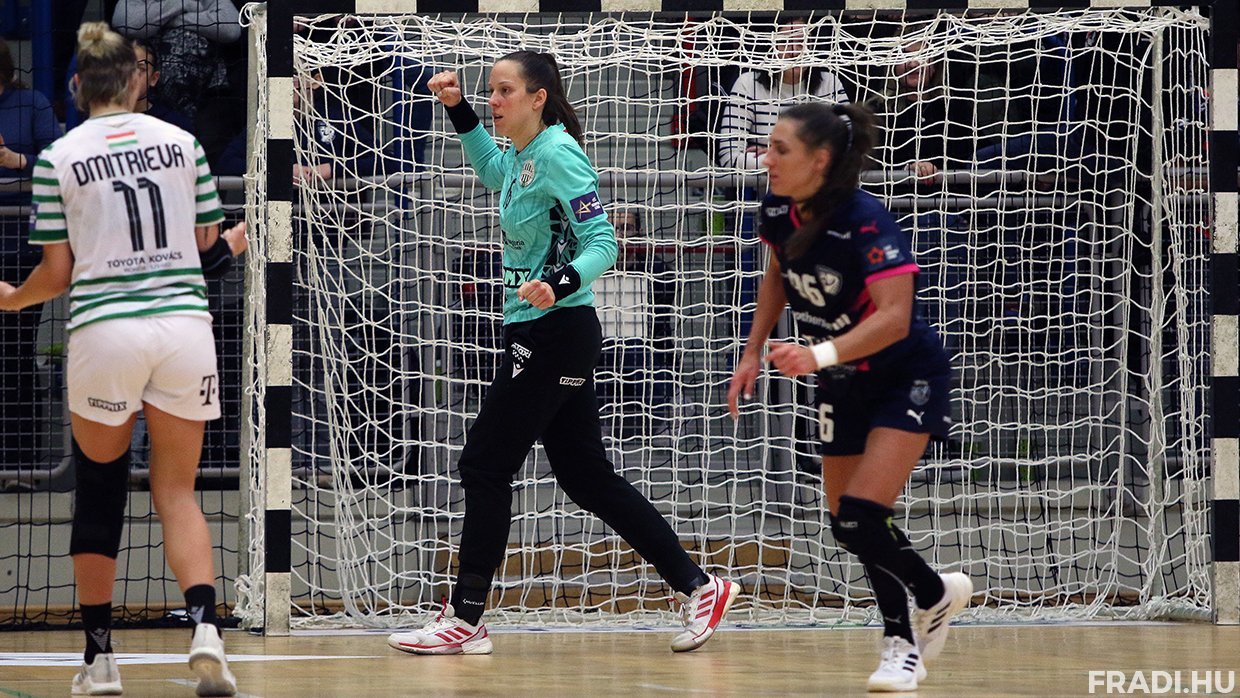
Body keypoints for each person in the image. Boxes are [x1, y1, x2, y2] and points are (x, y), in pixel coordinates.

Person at [387, 51, 737, 656]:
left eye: (503, 91)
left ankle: (465, 617)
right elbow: (494, 172)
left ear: (538, 97)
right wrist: (458, 109)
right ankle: (700, 586)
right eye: (490, 91)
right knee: (585, 476)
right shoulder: (524, 153)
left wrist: (560, 283)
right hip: (539, 330)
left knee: (484, 466)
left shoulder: (558, 153)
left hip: (555, 332)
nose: (494, 100)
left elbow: (603, 241)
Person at [0, 22, 246, 696]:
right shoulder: (183, 144)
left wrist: (13, 300)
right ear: (138, 79)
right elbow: (205, 244)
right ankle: (206, 629)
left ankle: (101, 659)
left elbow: (56, 275)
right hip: (183, 330)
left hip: (107, 333)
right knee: (178, 492)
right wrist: (227, 243)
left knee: (100, 491)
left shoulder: (58, 156)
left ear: (77, 84)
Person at [726, 102, 972, 692]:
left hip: (905, 374)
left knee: (863, 513)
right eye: (767, 146)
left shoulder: (866, 220)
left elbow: (894, 316)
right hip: (842, 380)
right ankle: (934, 594)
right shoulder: (777, 208)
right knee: (848, 525)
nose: (766, 158)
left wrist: (817, 354)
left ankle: (901, 645)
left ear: (820, 160)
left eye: (780, 149)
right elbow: (778, 274)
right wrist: (753, 349)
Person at [0, 37, 61, 473]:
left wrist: (15, 159)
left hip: (20, 247)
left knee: (16, 354)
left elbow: (58, 164)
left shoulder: (31, 103)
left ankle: (20, 464)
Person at [716, 18, 851, 171]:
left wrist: (776, 156)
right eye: (785, 43)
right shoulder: (748, 84)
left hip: (819, 186)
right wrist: (804, 158)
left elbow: (849, 149)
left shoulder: (829, 83)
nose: (794, 51)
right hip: (767, 186)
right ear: (772, 46)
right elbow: (729, 158)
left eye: (801, 43)